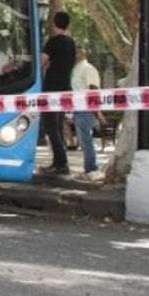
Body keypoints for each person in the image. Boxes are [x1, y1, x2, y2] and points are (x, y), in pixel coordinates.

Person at [39, 11, 77, 174]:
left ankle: (61, 163)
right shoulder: (71, 43)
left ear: (54, 24)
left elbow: (42, 62)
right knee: (58, 125)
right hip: (65, 88)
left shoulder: (52, 42)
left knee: (50, 126)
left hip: (51, 88)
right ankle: (58, 162)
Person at [70, 47, 104, 175]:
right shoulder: (75, 69)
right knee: (83, 139)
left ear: (81, 53)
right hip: (78, 107)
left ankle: (91, 167)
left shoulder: (88, 68)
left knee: (85, 139)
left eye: (76, 52)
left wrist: (96, 110)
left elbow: (93, 88)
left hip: (86, 107)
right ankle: (89, 166)